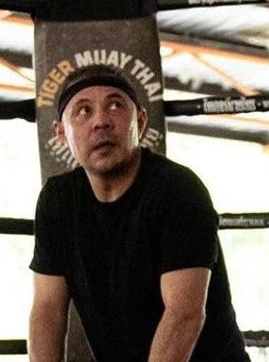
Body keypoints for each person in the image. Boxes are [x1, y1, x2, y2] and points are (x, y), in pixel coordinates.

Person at [28, 65, 248, 362]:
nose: (101, 122)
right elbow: (47, 309)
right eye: (83, 111)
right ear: (61, 133)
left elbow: (183, 314)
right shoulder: (58, 200)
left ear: (141, 120)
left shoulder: (178, 189)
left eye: (116, 105)